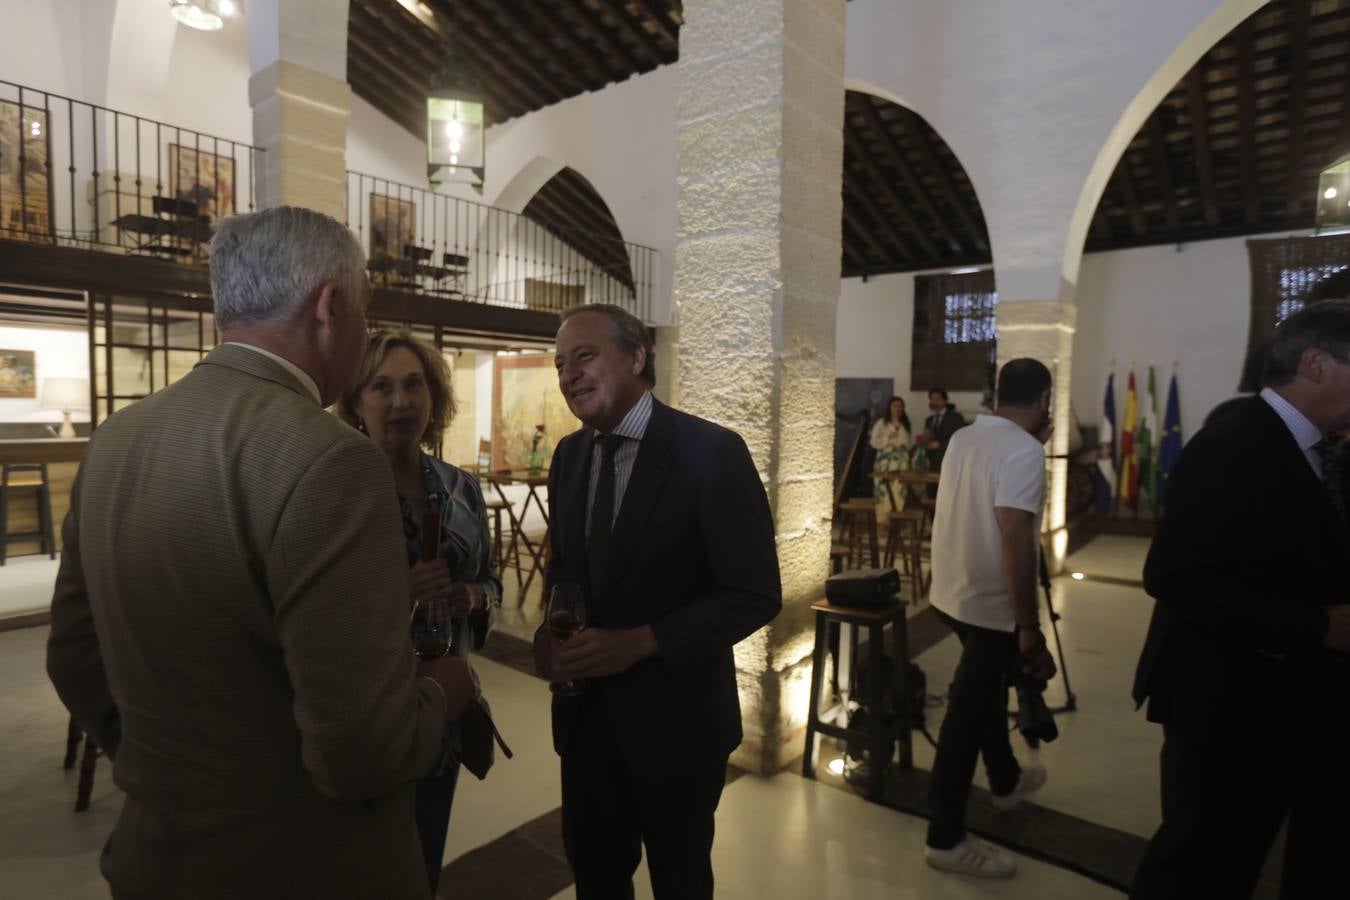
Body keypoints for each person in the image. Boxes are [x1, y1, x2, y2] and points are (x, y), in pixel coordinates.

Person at [46, 206, 474, 900]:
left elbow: (72, 654)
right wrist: (442, 691)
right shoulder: (331, 459)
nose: (364, 329)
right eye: (364, 310)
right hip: (302, 866)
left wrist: (167, 769)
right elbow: (362, 753)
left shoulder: (116, 439)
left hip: (154, 858)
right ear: (331, 307)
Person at [534, 303, 781, 900]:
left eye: (584, 356)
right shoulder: (569, 457)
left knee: (681, 882)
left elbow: (754, 593)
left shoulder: (710, 452)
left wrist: (644, 641)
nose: (569, 375)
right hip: (587, 726)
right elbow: (563, 575)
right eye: (561, 363)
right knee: (596, 878)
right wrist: (549, 642)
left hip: (677, 727)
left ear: (637, 356)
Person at [1129, 300, 1350, 900]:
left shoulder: (1325, 447)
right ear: (1316, 365)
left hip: (1293, 701)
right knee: (1201, 863)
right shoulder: (1232, 443)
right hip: (1226, 706)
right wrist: (1315, 625)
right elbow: (1175, 577)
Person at [337, 328, 502, 894]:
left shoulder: (462, 488)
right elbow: (317, 606)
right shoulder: (337, 488)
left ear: (434, 399)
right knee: (364, 865)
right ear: (357, 401)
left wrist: (473, 596)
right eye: (381, 387)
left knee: (424, 855)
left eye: (414, 385)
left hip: (444, 704)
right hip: (369, 707)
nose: (400, 401)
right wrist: (399, 593)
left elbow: (490, 579)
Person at [923, 358, 1057, 879]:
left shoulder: (964, 437)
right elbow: (1016, 541)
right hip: (990, 607)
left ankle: (1003, 783)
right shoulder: (1022, 451)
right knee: (964, 715)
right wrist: (1028, 626)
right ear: (1044, 399)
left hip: (952, 595)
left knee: (981, 697)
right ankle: (945, 837)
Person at [870, 395, 912, 514]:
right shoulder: (881, 423)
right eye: (895, 406)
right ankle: (883, 519)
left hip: (901, 464)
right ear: (889, 407)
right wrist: (888, 438)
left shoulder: (906, 424)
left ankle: (897, 518)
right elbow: (873, 442)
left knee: (898, 489)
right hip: (885, 463)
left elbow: (907, 443)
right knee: (884, 489)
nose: (898, 409)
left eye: (900, 406)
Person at [921, 387, 967, 471]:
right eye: (932, 399)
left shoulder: (956, 417)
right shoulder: (929, 420)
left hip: (949, 463)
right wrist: (924, 440)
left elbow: (960, 440)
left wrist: (939, 444)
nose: (934, 402)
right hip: (930, 464)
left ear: (945, 400)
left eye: (937, 399)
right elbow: (926, 440)